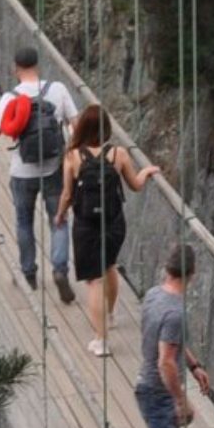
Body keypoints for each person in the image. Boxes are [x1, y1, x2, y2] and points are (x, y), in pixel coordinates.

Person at [0, 46, 79, 302]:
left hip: (22, 172)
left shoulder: (10, 98)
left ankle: (29, 273)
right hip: (54, 168)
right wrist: (71, 154)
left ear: (15, 69)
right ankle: (60, 270)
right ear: (38, 65)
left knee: (24, 222)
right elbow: (77, 127)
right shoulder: (58, 89)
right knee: (59, 220)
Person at [54, 103, 160, 356]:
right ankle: (110, 315)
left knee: (94, 280)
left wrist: (60, 214)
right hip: (113, 223)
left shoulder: (72, 156)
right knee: (110, 265)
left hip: (86, 224)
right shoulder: (118, 154)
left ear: (82, 128)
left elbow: (67, 194)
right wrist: (146, 171)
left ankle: (101, 341)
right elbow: (135, 185)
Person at [135, 244, 212, 428]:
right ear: (192, 274)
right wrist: (181, 399)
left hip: (147, 386)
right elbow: (166, 362)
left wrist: (193, 365)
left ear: (167, 268)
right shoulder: (177, 313)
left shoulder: (153, 295)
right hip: (158, 393)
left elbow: (169, 345)